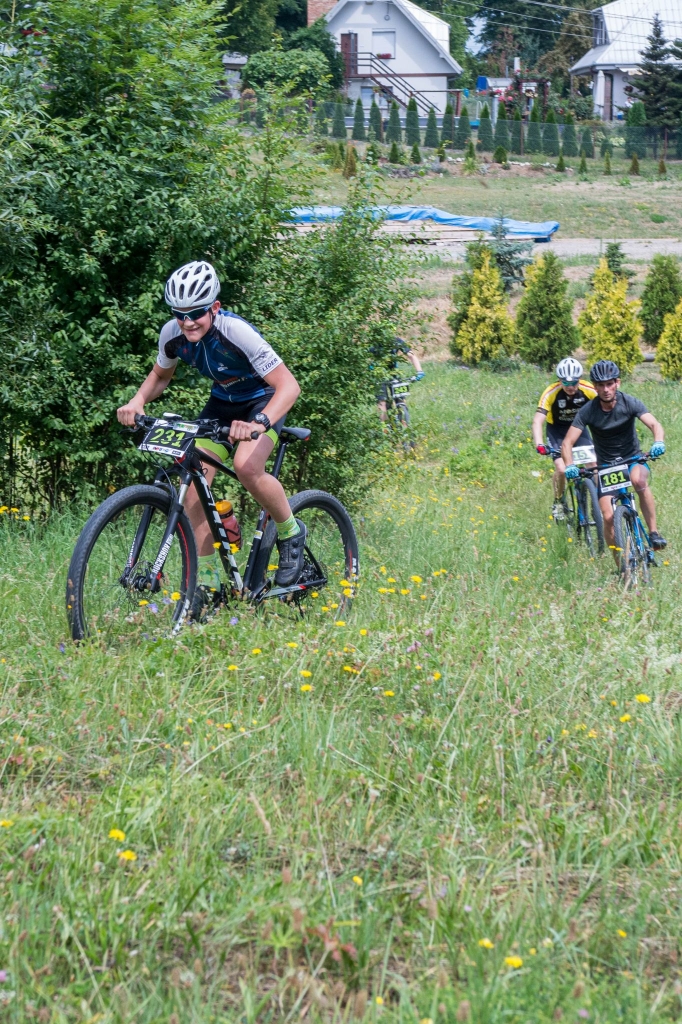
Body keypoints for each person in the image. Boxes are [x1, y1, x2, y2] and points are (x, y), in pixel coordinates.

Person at [117, 260, 305, 602]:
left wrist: (260, 423)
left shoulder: (236, 332)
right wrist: (137, 401)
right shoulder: (172, 334)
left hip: (263, 400)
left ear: (214, 307)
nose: (188, 322)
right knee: (191, 484)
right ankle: (208, 585)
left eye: (196, 313)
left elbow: (289, 386)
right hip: (222, 404)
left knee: (246, 466)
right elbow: (160, 375)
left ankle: (291, 533)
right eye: (180, 314)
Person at [561, 359, 667, 562]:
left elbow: (654, 424)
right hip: (606, 467)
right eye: (600, 385)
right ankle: (621, 566)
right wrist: (569, 465)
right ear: (594, 386)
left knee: (639, 481)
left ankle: (653, 533)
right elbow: (567, 443)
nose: (606, 389)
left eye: (609, 384)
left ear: (617, 382)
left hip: (632, 459)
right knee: (608, 517)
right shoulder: (588, 411)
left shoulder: (629, 402)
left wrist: (658, 441)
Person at [531, 357, 597, 519]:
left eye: (574, 382)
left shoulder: (588, 389)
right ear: (559, 380)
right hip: (557, 432)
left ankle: (598, 501)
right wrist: (539, 444)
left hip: (578, 430)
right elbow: (537, 420)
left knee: (593, 465)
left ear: (579, 379)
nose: (570, 387)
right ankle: (559, 501)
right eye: (565, 383)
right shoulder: (551, 392)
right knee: (562, 469)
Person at [376, 337, 424, 422]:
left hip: (391, 374)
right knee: (383, 403)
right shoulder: (378, 342)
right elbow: (411, 355)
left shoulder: (395, 341)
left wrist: (419, 371)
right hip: (381, 375)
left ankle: (402, 423)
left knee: (398, 400)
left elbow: (411, 355)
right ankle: (384, 428)